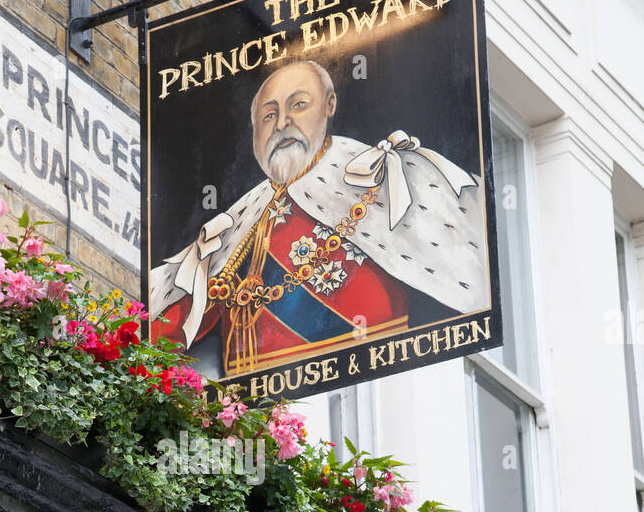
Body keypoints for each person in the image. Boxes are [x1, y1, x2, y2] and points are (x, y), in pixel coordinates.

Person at [150, 59, 488, 379]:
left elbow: (468, 270)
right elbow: (171, 318)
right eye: (268, 116)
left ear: (329, 105)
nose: (281, 124)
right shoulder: (239, 219)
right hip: (258, 422)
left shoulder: (384, 175)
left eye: (298, 105)